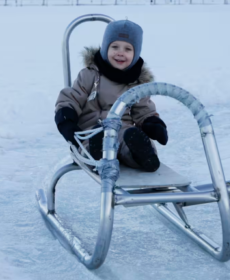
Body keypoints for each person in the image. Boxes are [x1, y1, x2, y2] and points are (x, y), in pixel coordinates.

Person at [54, 20, 168, 172]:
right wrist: (66, 119)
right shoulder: (90, 75)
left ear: (136, 54)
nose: (120, 52)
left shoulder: (137, 83)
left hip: (122, 130)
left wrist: (152, 123)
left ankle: (141, 155)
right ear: (105, 48)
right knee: (90, 144)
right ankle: (97, 153)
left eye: (128, 49)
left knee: (128, 138)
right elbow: (71, 98)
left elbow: (143, 110)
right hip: (91, 130)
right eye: (115, 47)